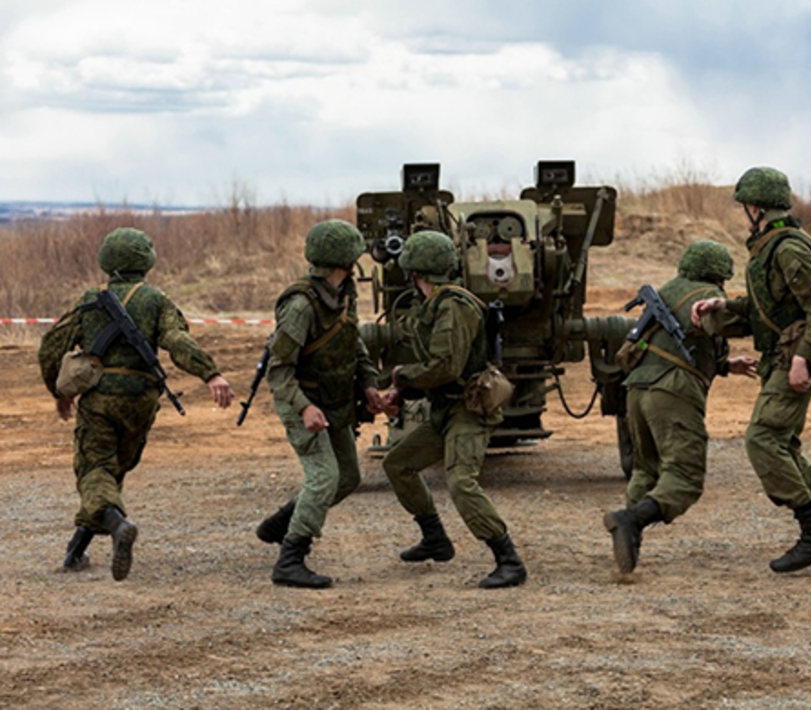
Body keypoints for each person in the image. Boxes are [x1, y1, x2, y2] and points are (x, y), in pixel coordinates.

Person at [691, 166, 811, 573]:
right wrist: (724, 306)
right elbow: (767, 307)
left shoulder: (788, 247)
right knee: (783, 443)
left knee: (763, 439)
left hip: (794, 358)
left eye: (744, 207)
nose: (743, 213)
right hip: (781, 357)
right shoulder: (768, 246)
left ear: (756, 207)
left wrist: (802, 358)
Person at [38, 227, 234, 582]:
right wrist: (211, 375)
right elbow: (177, 341)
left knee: (94, 470)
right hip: (141, 400)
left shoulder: (90, 299)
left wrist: (59, 392)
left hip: (100, 397)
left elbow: (52, 346)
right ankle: (76, 551)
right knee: (111, 473)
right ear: (147, 261)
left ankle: (117, 526)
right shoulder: (157, 300)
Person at [380, 230, 527, 589]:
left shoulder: (453, 305)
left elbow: (446, 365)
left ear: (416, 272)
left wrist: (401, 378)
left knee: (461, 481)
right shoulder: (439, 304)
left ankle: (509, 560)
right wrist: (407, 388)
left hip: (468, 410)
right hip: (445, 410)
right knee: (398, 464)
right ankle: (435, 539)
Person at [603, 240, 758, 574]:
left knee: (646, 470)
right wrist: (760, 314)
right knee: (685, 475)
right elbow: (722, 322)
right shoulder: (703, 295)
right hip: (671, 390)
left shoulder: (671, 289)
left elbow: (678, 341)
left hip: (636, 390)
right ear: (720, 274)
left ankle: (628, 543)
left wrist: (724, 365)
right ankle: (630, 520)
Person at [254, 219, 383, 589]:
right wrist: (303, 407)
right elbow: (278, 372)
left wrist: (370, 384)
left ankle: (282, 524)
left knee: (348, 477)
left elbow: (352, 344)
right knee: (324, 477)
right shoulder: (300, 306)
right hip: (302, 402)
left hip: (334, 401)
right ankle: (290, 559)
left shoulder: (343, 294)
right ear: (345, 261)